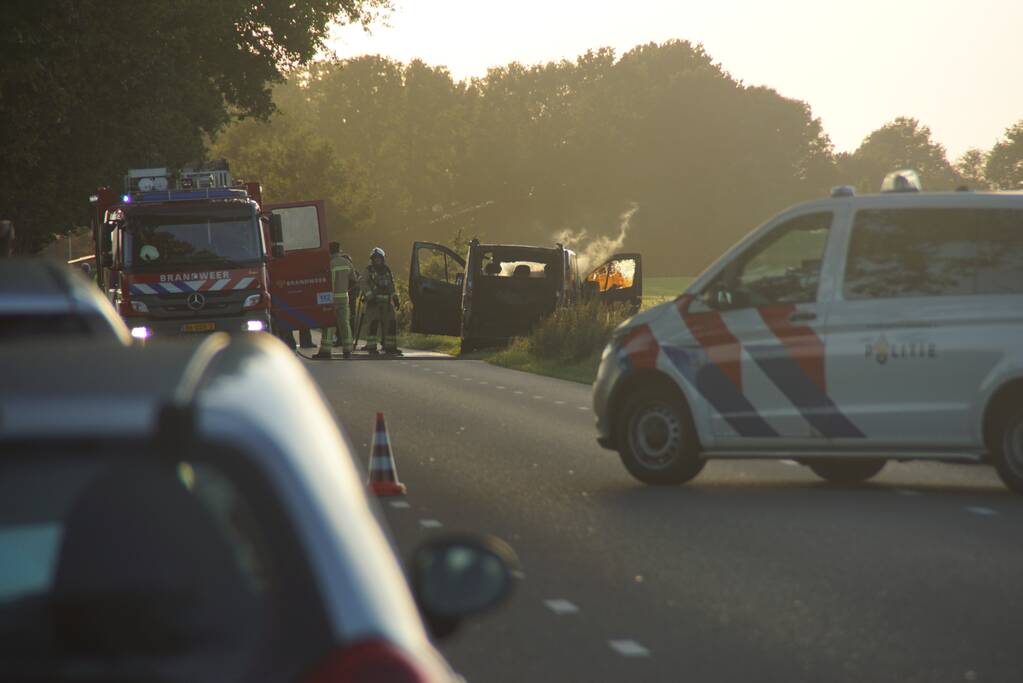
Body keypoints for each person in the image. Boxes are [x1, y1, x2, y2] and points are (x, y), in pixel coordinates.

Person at [315, 242, 357, 359]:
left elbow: (326, 283)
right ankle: (348, 350)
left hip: (331, 300)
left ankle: (325, 351)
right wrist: (346, 289)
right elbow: (354, 279)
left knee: (328, 325)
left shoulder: (329, 264)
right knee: (345, 324)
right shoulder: (347, 262)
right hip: (344, 299)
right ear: (339, 250)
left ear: (329, 251)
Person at [358, 247, 401, 355]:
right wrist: (370, 297)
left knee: (390, 324)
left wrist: (395, 298)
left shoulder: (387, 270)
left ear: (382, 259)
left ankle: (390, 347)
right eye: (375, 258)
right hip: (374, 303)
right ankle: (372, 347)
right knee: (373, 325)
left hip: (387, 303)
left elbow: (391, 284)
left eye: (379, 258)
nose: (377, 260)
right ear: (372, 259)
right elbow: (363, 283)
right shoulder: (368, 270)